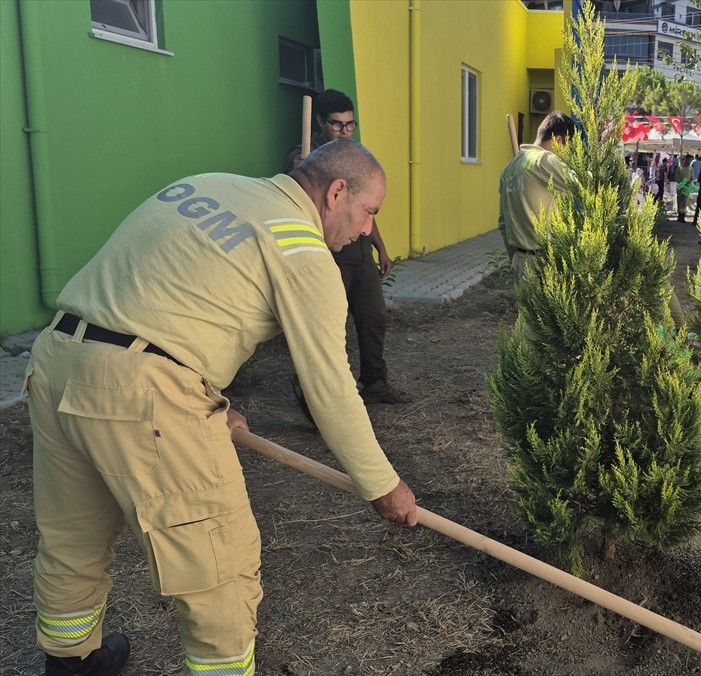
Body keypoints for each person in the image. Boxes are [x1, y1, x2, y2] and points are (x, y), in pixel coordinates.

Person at [26, 140, 420, 675]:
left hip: (57, 361)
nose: (368, 231)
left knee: (72, 539)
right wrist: (382, 484)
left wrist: (207, 399)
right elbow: (330, 388)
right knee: (220, 573)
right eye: (370, 212)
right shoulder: (302, 250)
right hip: (142, 392)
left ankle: (71, 664)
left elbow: (175, 295)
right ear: (336, 192)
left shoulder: (209, 186)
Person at [287, 89, 407, 408]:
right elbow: (293, 198)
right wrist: (295, 169)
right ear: (320, 123)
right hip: (328, 259)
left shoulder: (354, 159)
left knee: (373, 316)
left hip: (361, 254)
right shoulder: (306, 157)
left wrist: (381, 247)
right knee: (330, 327)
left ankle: (375, 382)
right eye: (337, 125)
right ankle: (322, 394)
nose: (345, 131)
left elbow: (365, 207)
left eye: (350, 125)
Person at [497, 111, 578, 282]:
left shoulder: (510, 167)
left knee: (526, 309)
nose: (567, 156)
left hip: (521, 261)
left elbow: (503, 222)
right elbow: (586, 185)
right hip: (543, 262)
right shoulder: (544, 160)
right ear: (558, 141)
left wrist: (517, 257)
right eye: (569, 148)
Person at [674, 154, 694, 223]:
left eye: (691, 160)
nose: (690, 161)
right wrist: (682, 182)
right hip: (680, 187)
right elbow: (676, 177)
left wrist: (689, 183)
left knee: (684, 202)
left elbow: (692, 178)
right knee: (679, 201)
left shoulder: (691, 169)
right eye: (689, 160)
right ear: (686, 159)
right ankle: (679, 216)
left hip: (687, 188)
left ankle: (683, 216)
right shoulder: (679, 168)